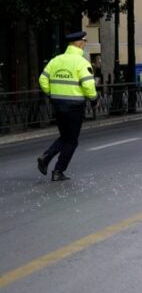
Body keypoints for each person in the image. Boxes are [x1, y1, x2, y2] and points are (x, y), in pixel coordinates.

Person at [36, 31, 98, 181]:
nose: (84, 44)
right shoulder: (82, 62)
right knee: (71, 141)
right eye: (84, 42)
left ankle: (46, 157)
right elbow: (88, 85)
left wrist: (51, 93)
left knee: (65, 136)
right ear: (79, 43)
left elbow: (42, 79)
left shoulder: (55, 60)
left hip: (58, 104)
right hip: (74, 106)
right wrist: (94, 98)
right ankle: (57, 171)